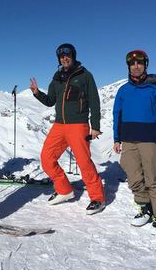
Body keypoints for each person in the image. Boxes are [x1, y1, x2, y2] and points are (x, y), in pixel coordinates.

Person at [30, 43, 106, 215]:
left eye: (68, 55)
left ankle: (98, 198)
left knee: (84, 162)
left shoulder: (85, 76)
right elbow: (50, 101)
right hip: (59, 125)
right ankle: (64, 190)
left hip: (78, 125)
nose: (65, 58)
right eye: (62, 56)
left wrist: (95, 126)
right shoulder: (56, 78)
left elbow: (94, 101)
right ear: (59, 59)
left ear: (73, 56)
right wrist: (37, 93)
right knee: (47, 158)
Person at [112, 50, 156, 235]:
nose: (136, 66)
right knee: (134, 177)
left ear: (145, 65)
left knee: (152, 177)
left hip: (149, 140)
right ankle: (144, 207)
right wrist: (116, 138)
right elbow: (117, 115)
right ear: (129, 67)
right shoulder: (123, 90)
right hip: (128, 140)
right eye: (132, 63)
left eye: (140, 62)